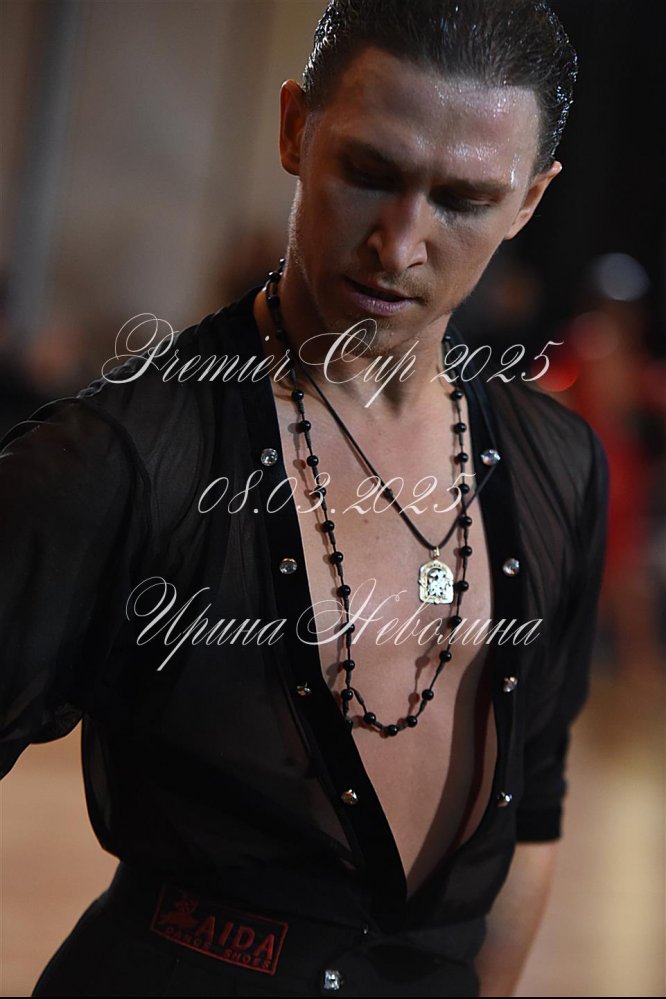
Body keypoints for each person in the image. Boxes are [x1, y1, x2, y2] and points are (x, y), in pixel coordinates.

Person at [0, 1, 608, 996]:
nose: (399, 244)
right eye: (369, 172)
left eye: (463, 199)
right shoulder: (119, 459)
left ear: (529, 201)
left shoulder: (558, 466)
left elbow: (530, 816)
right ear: (294, 131)